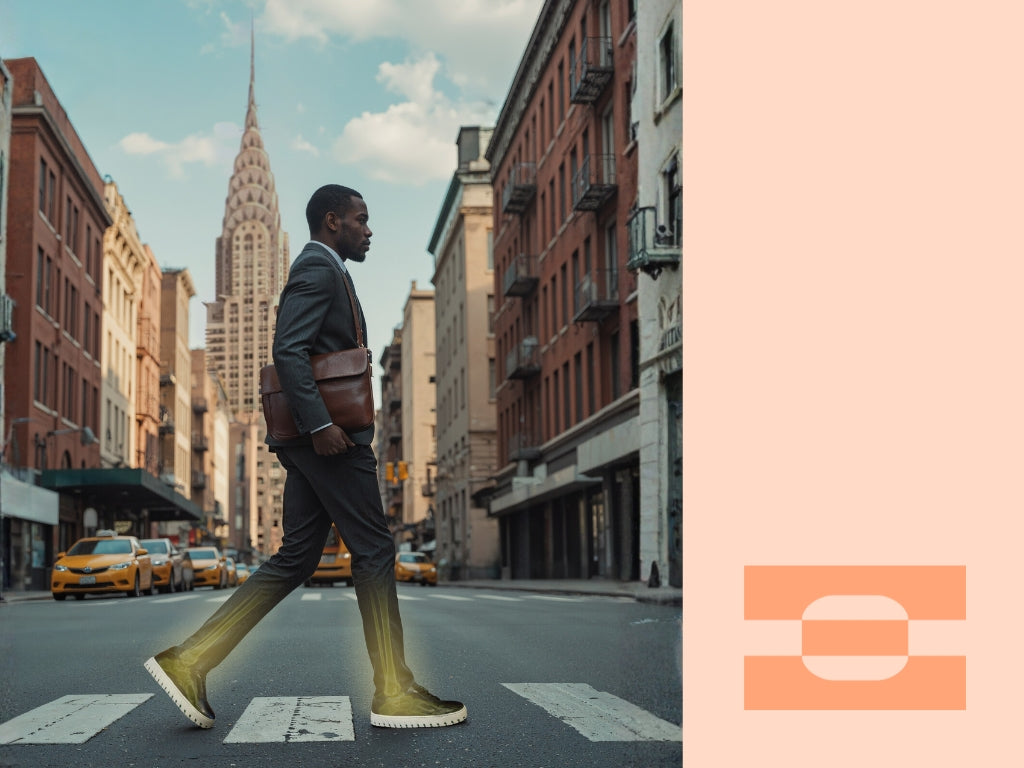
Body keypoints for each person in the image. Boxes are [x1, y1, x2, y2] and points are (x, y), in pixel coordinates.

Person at [144, 184, 467, 730]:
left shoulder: (329, 269)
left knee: (296, 558)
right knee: (374, 550)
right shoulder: (318, 268)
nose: (369, 230)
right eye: (362, 219)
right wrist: (320, 426)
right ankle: (393, 690)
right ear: (332, 220)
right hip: (331, 440)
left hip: (316, 441)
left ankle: (190, 659)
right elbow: (288, 349)